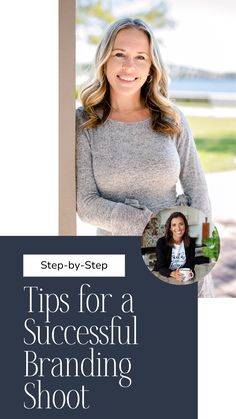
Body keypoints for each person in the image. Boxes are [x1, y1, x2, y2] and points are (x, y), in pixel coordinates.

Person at [76, 17, 211, 236]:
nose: (129, 66)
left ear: (150, 67)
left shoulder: (171, 118)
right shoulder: (86, 121)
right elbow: (86, 204)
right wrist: (150, 226)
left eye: (140, 57)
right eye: (119, 54)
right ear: (104, 60)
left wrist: (199, 255)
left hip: (174, 257)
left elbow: (198, 192)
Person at [155, 212, 195, 281]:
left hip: (181, 278)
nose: (178, 228)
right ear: (170, 228)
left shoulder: (191, 242)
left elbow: (190, 265)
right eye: (174, 225)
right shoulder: (161, 242)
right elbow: (160, 267)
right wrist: (173, 273)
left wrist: (190, 273)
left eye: (181, 224)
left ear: (185, 226)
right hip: (163, 277)